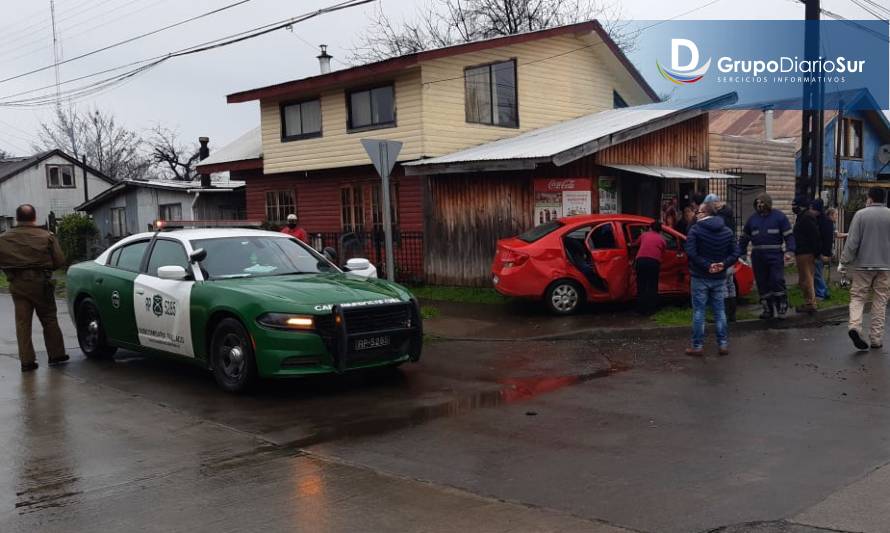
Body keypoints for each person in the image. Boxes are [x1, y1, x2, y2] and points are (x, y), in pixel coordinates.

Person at [0, 204, 68, 372]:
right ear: (34, 217)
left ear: (17, 218)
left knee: (23, 323)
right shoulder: (47, 236)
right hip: (41, 283)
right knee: (49, 318)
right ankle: (56, 355)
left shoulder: (3, 239)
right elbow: (59, 261)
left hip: (17, 283)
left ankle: (27, 362)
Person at [685, 202, 739, 356]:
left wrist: (707, 265)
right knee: (720, 311)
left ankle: (697, 346)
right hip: (719, 277)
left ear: (705, 213)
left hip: (699, 276)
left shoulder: (695, 230)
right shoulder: (727, 231)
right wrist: (723, 264)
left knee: (699, 312)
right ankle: (723, 344)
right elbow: (735, 253)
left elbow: (690, 252)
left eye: (699, 212)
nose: (696, 214)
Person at [839, 187, 890, 351]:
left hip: (863, 265)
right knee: (880, 300)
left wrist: (844, 262)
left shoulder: (861, 214)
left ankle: (855, 326)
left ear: (870, 198)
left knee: (858, 297)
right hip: (886, 266)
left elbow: (852, 241)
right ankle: (876, 338)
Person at [739, 193, 796, 320]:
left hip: (775, 255)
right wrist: (741, 253)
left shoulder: (779, 217)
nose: (760, 205)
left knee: (776, 280)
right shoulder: (752, 219)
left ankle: (782, 304)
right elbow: (744, 238)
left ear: (768, 203)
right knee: (762, 282)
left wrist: (789, 251)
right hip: (758, 256)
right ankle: (767, 308)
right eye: (758, 203)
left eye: (762, 202)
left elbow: (789, 236)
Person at [704, 194, 738, 321]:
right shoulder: (729, 214)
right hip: (729, 252)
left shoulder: (719, 217)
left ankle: (721, 315)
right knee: (730, 284)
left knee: (721, 284)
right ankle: (732, 315)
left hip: (720, 253)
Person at [792, 195, 821, 314]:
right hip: (802, 251)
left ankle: (810, 303)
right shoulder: (802, 216)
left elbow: (814, 236)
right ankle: (809, 302)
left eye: (794, 205)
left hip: (805, 252)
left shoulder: (806, 217)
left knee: (806, 279)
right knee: (804, 279)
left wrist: (816, 252)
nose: (793, 207)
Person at [634, 221, 666, 315]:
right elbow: (663, 252)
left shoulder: (644, 235)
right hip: (654, 263)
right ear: (660, 230)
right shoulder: (662, 239)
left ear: (650, 228)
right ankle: (651, 310)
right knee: (652, 286)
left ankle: (640, 310)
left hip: (641, 261)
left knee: (641, 286)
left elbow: (635, 244)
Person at [810, 199, 834, 300]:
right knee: (817, 273)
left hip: (819, 252)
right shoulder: (826, 221)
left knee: (817, 273)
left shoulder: (820, 221)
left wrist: (825, 253)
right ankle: (822, 291)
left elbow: (826, 238)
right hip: (821, 251)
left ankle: (822, 292)